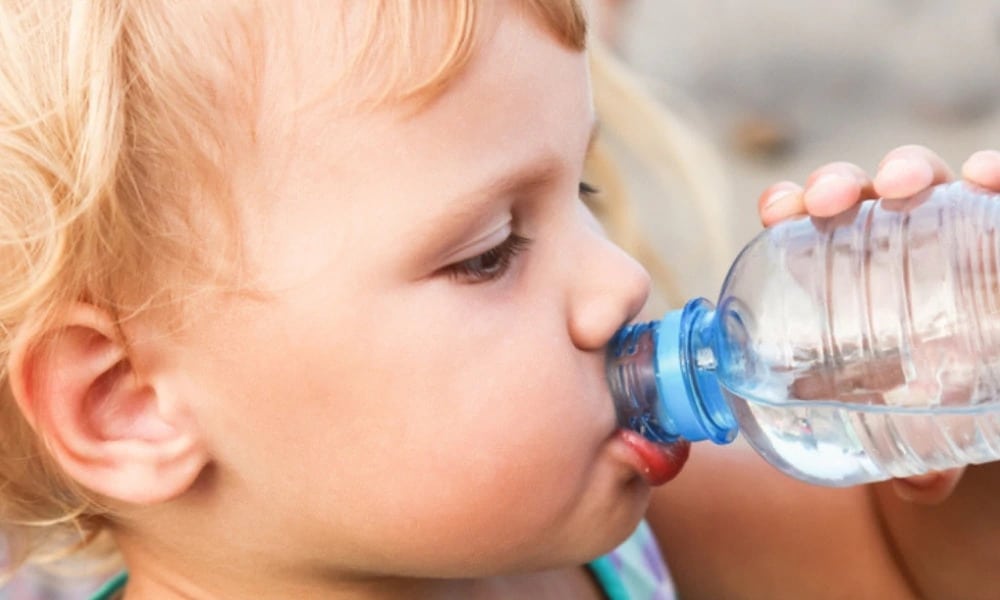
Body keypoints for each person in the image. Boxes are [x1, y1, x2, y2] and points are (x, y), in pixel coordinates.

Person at [0, 2, 998, 599]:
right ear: (127, 404)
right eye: (486, 254)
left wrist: (955, 413)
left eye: (585, 190)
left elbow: (904, 576)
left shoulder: (623, 533)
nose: (621, 280)